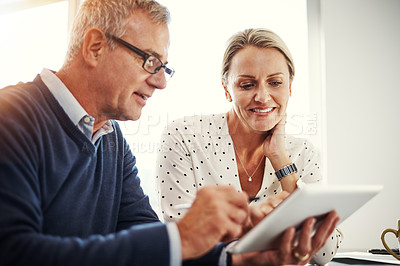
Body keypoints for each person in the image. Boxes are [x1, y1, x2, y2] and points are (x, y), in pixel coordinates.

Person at [0, 0, 339, 264]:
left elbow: (149, 241)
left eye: (165, 68)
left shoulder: (111, 140)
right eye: (150, 62)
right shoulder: (11, 117)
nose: (161, 81)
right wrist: (183, 237)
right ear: (95, 47)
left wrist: (240, 257)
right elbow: (15, 252)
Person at [156, 28, 342, 265]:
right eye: (247, 85)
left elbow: (324, 253)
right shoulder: (183, 137)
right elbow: (183, 242)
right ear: (226, 89)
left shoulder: (302, 152)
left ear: (290, 88)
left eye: (275, 82)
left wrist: (281, 161)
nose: (263, 97)